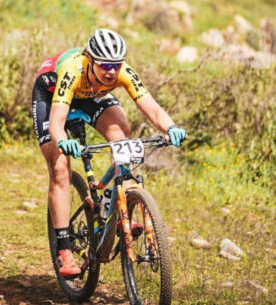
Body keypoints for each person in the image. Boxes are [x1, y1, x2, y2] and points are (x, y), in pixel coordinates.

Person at [30, 29, 186, 277]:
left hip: (91, 94)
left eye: (116, 64)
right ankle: (64, 249)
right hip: (51, 94)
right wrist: (63, 142)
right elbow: (57, 124)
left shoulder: (121, 71)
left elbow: (152, 108)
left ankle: (117, 201)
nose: (112, 71)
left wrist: (171, 127)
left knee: (122, 136)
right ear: (90, 59)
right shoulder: (73, 71)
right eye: (105, 65)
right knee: (60, 167)